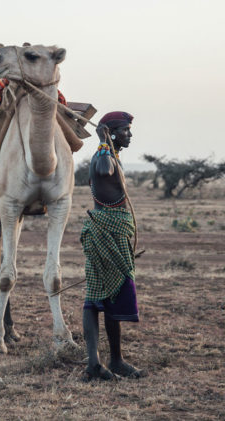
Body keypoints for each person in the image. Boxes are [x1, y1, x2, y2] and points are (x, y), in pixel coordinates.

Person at [81, 111, 144, 381]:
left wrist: (109, 144)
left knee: (109, 295)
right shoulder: (102, 157)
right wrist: (103, 141)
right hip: (104, 232)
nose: (130, 135)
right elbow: (104, 171)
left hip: (113, 231)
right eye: (126, 130)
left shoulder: (113, 155)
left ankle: (113, 360)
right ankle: (97, 363)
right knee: (100, 297)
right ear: (113, 132)